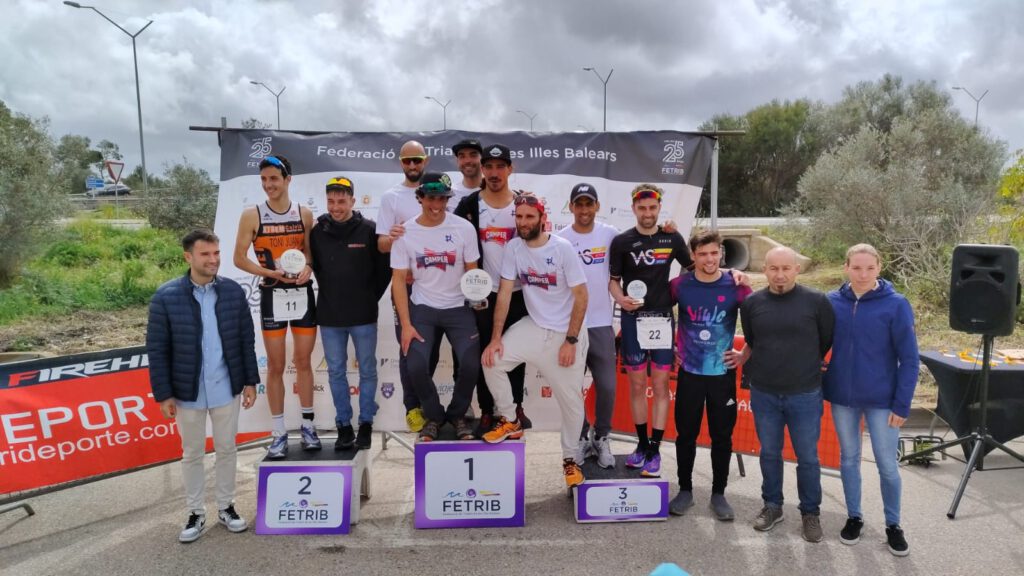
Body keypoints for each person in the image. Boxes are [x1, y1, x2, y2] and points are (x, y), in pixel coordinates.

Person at [147, 229, 259, 543]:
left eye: (216, 253)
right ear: (188, 257)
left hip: (226, 387)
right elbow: (157, 349)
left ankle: (226, 507)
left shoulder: (233, 292)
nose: (213, 260)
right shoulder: (165, 296)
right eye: (205, 254)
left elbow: (245, 340)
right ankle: (195, 512)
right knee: (192, 453)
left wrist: (250, 380)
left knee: (227, 449)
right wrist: (164, 394)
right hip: (187, 391)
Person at [481, 194, 590, 488]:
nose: (523, 222)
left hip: (565, 334)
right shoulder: (513, 247)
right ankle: (510, 420)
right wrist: (495, 339)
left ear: (543, 218)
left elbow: (582, 297)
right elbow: (504, 294)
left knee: (571, 402)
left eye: (529, 217)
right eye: (519, 217)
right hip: (535, 326)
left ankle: (570, 459)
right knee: (491, 360)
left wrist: (571, 340)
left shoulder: (562, 248)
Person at [823, 243, 917, 556]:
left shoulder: (896, 304)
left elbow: (910, 359)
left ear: (879, 268)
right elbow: (815, 342)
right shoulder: (832, 301)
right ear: (846, 267)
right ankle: (854, 517)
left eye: (870, 268)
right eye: (856, 268)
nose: (863, 274)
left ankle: (893, 524)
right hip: (843, 398)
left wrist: (902, 403)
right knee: (849, 459)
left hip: (883, 401)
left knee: (887, 465)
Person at [739, 246, 834, 543]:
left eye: (786, 268)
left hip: (804, 393)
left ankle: (810, 513)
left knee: (808, 457)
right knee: (769, 453)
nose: (780, 275)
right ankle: (772, 506)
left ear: (796, 269)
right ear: (764, 270)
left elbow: (825, 340)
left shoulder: (817, 301)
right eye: (774, 268)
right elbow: (753, 340)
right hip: (764, 393)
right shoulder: (752, 303)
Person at [233, 155, 319, 459]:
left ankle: (308, 426)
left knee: (304, 362)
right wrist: (269, 273)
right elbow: (239, 258)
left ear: (287, 180)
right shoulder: (252, 215)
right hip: (272, 294)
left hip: (302, 293)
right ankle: (279, 432)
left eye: (274, 179)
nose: (268, 185)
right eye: (264, 180)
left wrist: (308, 267)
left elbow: (310, 254)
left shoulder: (304, 213)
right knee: (276, 365)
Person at [608, 184, 693, 478]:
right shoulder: (622, 241)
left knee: (659, 386)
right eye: (642, 208)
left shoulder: (672, 238)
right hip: (633, 320)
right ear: (634, 208)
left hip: (661, 319)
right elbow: (613, 281)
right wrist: (620, 299)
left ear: (659, 209)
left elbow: (693, 269)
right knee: (635, 386)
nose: (647, 213)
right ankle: (642, 445)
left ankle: (655, 450)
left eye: (652, 208)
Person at [391, 173, 482, 442]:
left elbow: (472, 271)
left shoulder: (464, 228)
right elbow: (398, 281)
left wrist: (477, 298)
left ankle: (457, 414)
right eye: (431, 198)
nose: (436, 204)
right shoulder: (405, 232)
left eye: (442, 199)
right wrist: (406, 325)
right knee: (416, 365)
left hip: (458, 307)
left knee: (470, 363)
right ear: (419, 198)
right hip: (423, 308)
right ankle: (433, 416)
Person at [668, 230, 752, 521]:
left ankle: (719, 493)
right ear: (693, 256)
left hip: (722, 375)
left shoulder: (736, 285)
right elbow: (658, 314)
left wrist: (744, 354)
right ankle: (685, 490)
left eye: (714, 253)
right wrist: (669, 348)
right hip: (689, 374)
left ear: (721, 254)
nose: (709, 259)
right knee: (686, 435)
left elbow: (759, 321)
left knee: (722, 436)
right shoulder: (679, 285)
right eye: (702, 254)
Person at [454, 143, 531, 436]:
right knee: (485, 352)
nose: (495, 173)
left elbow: (541, 240)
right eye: (489, 167)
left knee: (515, 352)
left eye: (501, 166)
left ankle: (516, 408)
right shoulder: (469, 204)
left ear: (510, 169)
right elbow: (452, 238)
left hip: (519, 292)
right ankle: (487, 410)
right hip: (483, 294)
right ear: (483, 169)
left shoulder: (523, 203)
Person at [310, 176, 390, 451]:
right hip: (330, 316)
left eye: (341, 201)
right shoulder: (317, 231)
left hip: (364, 315)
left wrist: (367, 297)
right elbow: (316, 267)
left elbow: (384, 271)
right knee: (335, 372)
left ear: (353, 201)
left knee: (367, 370)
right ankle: (343, 425)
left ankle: (366, 423)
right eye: (331, 201)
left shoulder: (369, 229)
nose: (336, 207)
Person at [555, 183, 619, 468]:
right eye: (578, 204)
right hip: (570, 327)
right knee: (571, 389)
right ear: (571, 207)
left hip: (601, 323)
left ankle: (602, 437)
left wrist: (666, 229)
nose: (584, 209)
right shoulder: (560, 239)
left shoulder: (610, 234)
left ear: (597, 206)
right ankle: (581, 437)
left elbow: (638, 244)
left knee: (607, 386)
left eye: (588, 204)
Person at [376, 140, 433, 432]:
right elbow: (381, 245)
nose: (412, 165)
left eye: (417, 160)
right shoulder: (391, 197)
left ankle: (430, 404)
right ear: (400, 162)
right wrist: (393, 236)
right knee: (408, 346)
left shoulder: (437, 192)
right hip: (405, 286)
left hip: (437, 284)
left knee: (432, 347)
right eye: (407, 160)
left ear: (426, 160)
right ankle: (412, 407)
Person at [449, 138, 483, 209]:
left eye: (473, 155)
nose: (467, 161)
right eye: (462, 156)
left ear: (482, 159)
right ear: (457, 161)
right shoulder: (449, 194)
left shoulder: (494, 191)